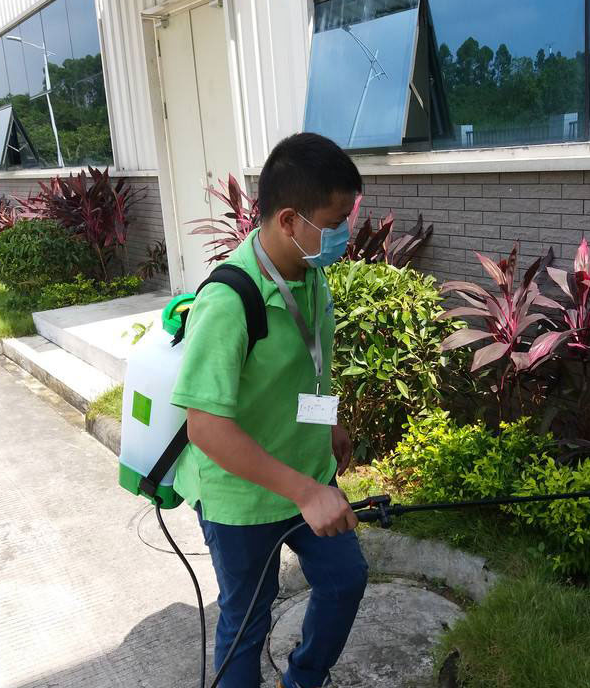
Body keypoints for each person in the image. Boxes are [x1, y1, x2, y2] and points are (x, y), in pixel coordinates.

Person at [170, 132, 369, 688]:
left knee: (344, 580)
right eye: (335, 223)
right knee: (246, 624)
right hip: (242, 498)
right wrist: (304, 492)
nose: (344, 234)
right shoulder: (228, 300)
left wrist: (328, 422)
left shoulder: (311, 273)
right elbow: (205, 427)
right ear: (288, 220)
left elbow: (306, 365)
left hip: (308, 472)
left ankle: (302, 679)